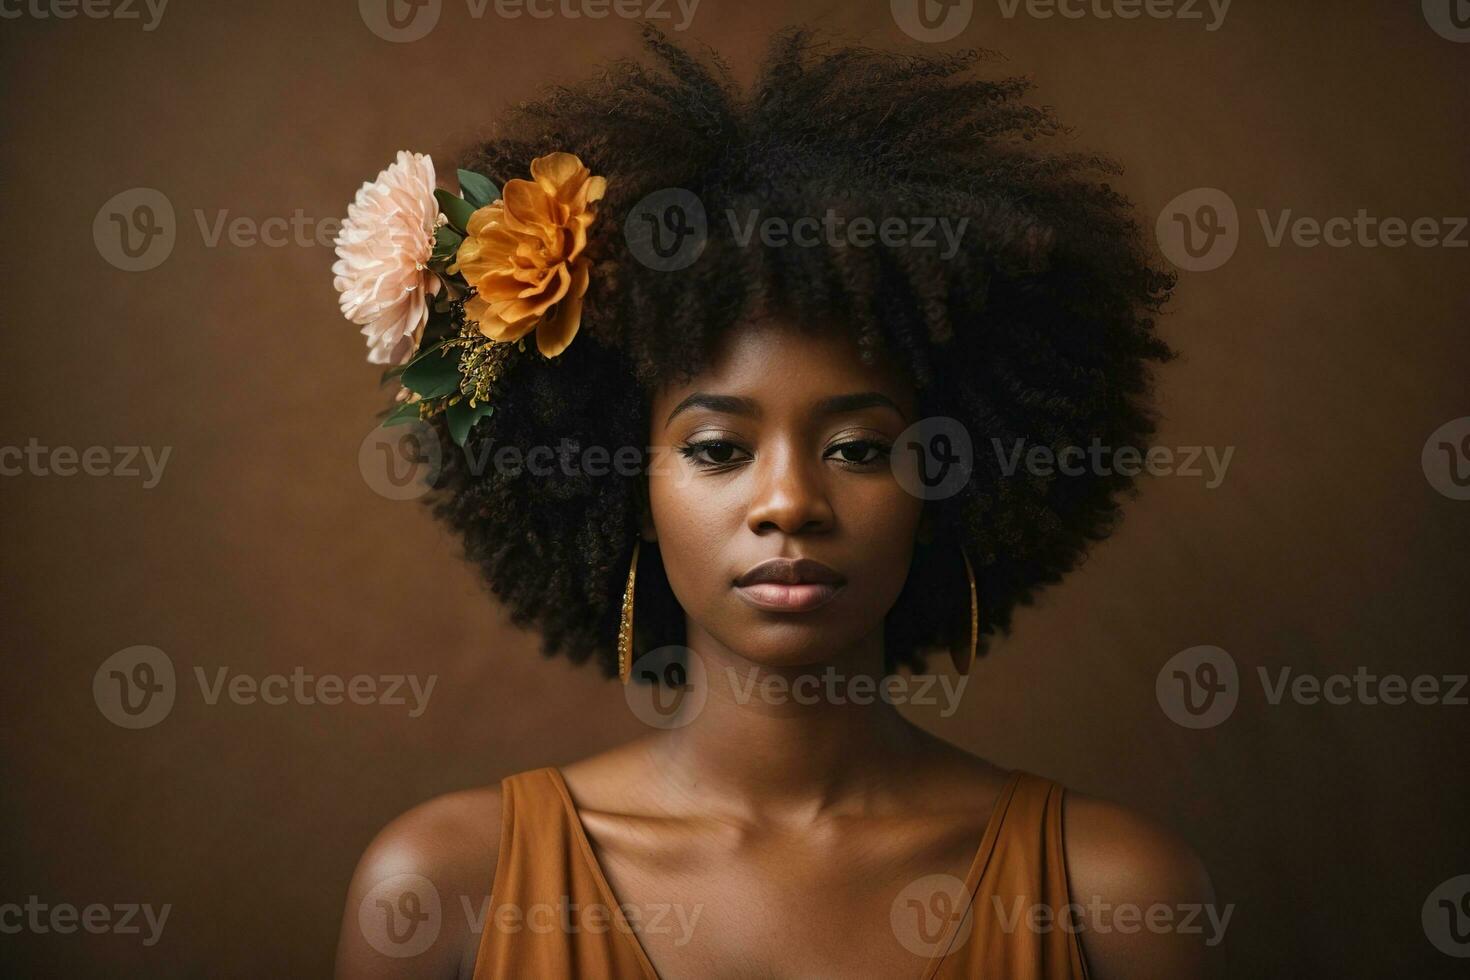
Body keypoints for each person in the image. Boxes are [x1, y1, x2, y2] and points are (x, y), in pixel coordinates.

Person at [335, 27, 1214, 979]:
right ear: (625, 488)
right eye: (718, 449)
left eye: (860, 448)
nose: (790, 502)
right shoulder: (443, 889)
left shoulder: (1113, 898)